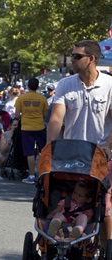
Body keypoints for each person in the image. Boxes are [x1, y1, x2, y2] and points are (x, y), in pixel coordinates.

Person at [47, 39, 112, 248]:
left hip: (100, 156)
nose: (71, 60)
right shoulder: (66, 84)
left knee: (104, 207)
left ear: (91, 59)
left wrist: (109, 145)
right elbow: (57, 119)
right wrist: (50, 148)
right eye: (72, 56)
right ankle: (58, 239)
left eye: (77, 57)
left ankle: (103, 246)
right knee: (63, 197)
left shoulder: (110, 85)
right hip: (70, 156)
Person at [15, 77, 49, 184]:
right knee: (43, 151)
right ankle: (43, 174)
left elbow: (16, 115)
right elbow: (45, 115)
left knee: (29, 152)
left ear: (28, 86)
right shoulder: (42, 99)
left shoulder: (21, 98)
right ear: (38, 86)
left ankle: (31, 175)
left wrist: (23, 116)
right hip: (39, 127)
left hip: (26, 128)